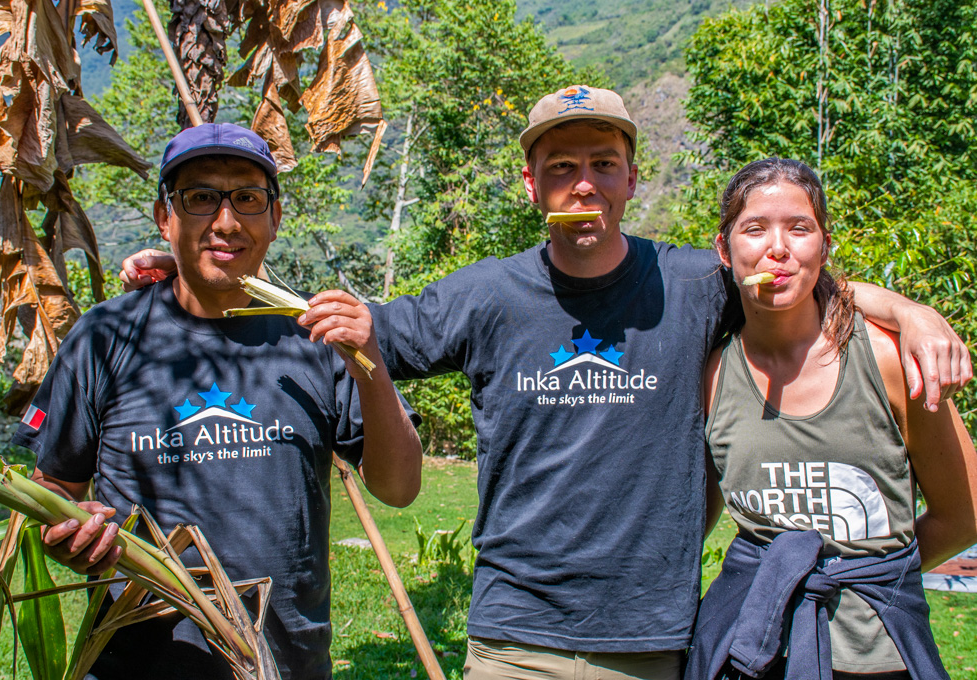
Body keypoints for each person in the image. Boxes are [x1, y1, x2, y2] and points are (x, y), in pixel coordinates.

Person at [118, 87, 973, 680]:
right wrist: (207, 277)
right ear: (532, 185)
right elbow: (352, 323)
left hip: (654, 639)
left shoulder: (692, 285)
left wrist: (906, 310)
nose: (584, 184)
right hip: (513, 638)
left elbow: (779, 275)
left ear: (632, 179)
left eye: (604, 163)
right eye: (562, 167)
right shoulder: (486, 295)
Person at [12, 123, 423, 680]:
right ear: (165, 216)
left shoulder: (315, 338)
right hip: (136, 665)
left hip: (285, 663)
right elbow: (50, 491)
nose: (225, 222)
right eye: (201, 198)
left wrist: (368, 362)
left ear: (274, 219)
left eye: (248, 199)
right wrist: (70, 531)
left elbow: (398, 488)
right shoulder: (106, 337)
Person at [687, 158, 977, 680]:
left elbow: (965, 516)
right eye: (755, 229)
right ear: (725, 250)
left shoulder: (888, 359)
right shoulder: (711, 374)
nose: (778, 248)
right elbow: (693, 522)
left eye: (799, 228)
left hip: (877, 657)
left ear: (823, 245)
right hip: (750, 649)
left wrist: (874, 577)